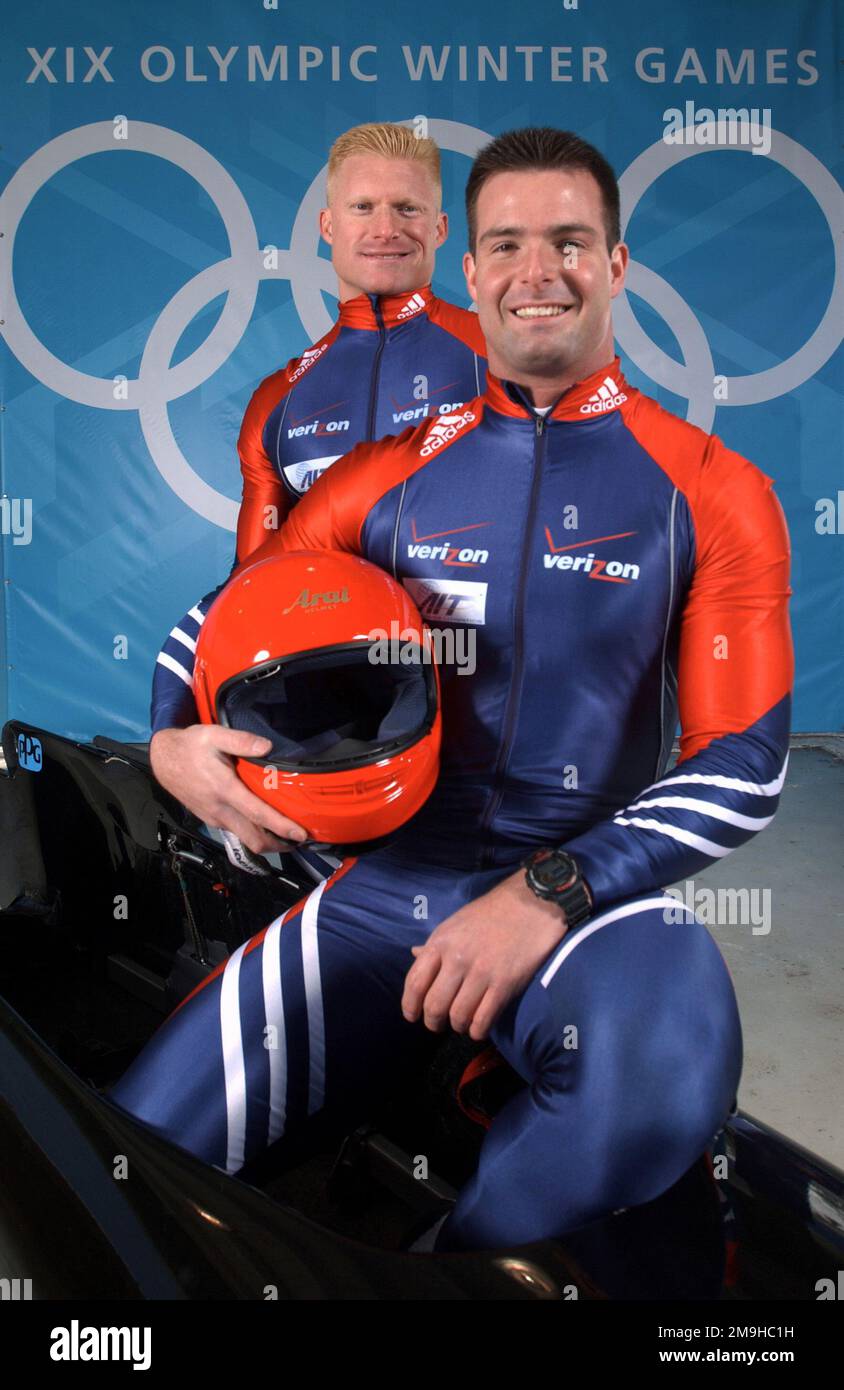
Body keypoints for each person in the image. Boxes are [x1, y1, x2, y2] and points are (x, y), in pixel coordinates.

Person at [108, 128, 793, 1255]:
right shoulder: (389, 476)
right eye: (508, 245)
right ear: (469, 273)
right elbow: (222, 613)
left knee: (664, 1070)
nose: (539, 271)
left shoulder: (711, 491)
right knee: (127, 1159)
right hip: (378, 897)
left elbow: (745, 760)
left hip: (590, 904)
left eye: (570, 242)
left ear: (617, 265)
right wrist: (173, 737)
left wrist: (548, 890)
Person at [234, 120, 486, 561]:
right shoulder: (276, 402)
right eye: (363, 207)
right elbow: (251, 586)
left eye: (408, 208)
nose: (386, 228)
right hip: (337, 630)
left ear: (440, 228)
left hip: (469, 634)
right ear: (328, 226)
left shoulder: (506, 357)